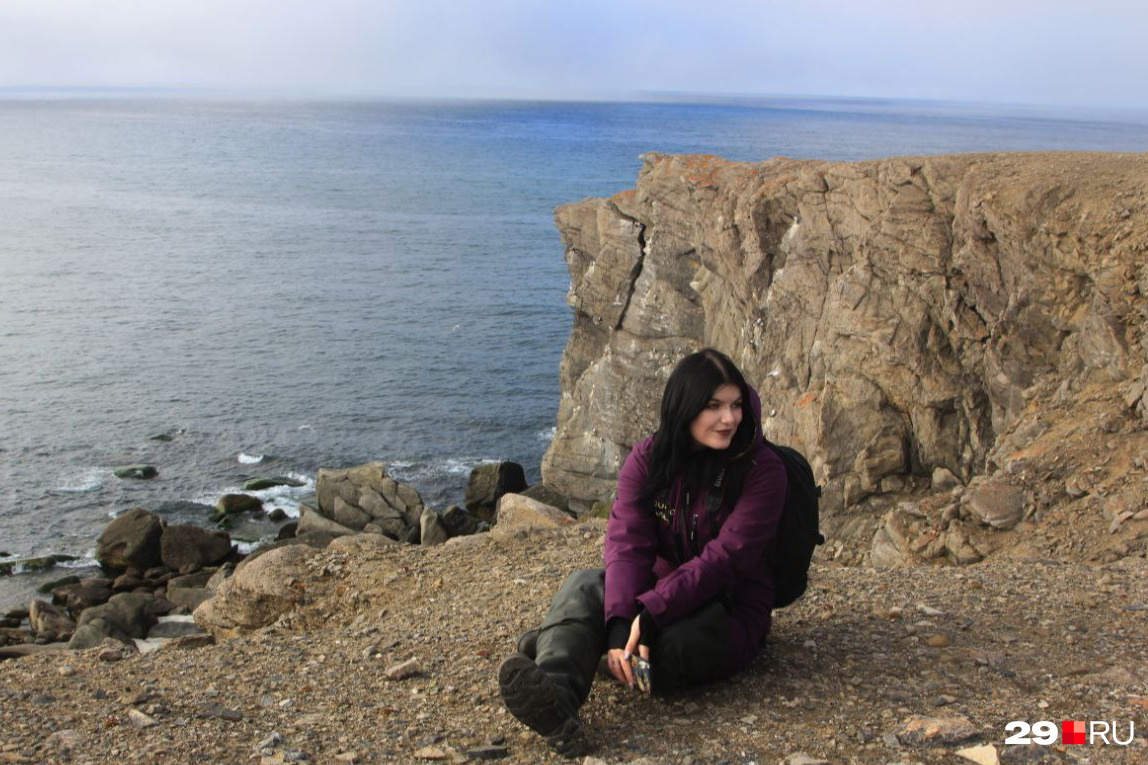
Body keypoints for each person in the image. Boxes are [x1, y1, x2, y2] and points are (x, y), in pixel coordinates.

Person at [497, 348, 788, 757]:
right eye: (714, 406)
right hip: (659, 590)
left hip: (730, 606)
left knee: (672, 649)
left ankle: (569, 643)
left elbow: (726, 560)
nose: (729, 418)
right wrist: (621, 621)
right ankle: (557, 701)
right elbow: (628, 542)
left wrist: (653, 613)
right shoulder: (650, 459)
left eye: (736, 405)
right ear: (684, 407)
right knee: (585, 587)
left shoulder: (763, 470)